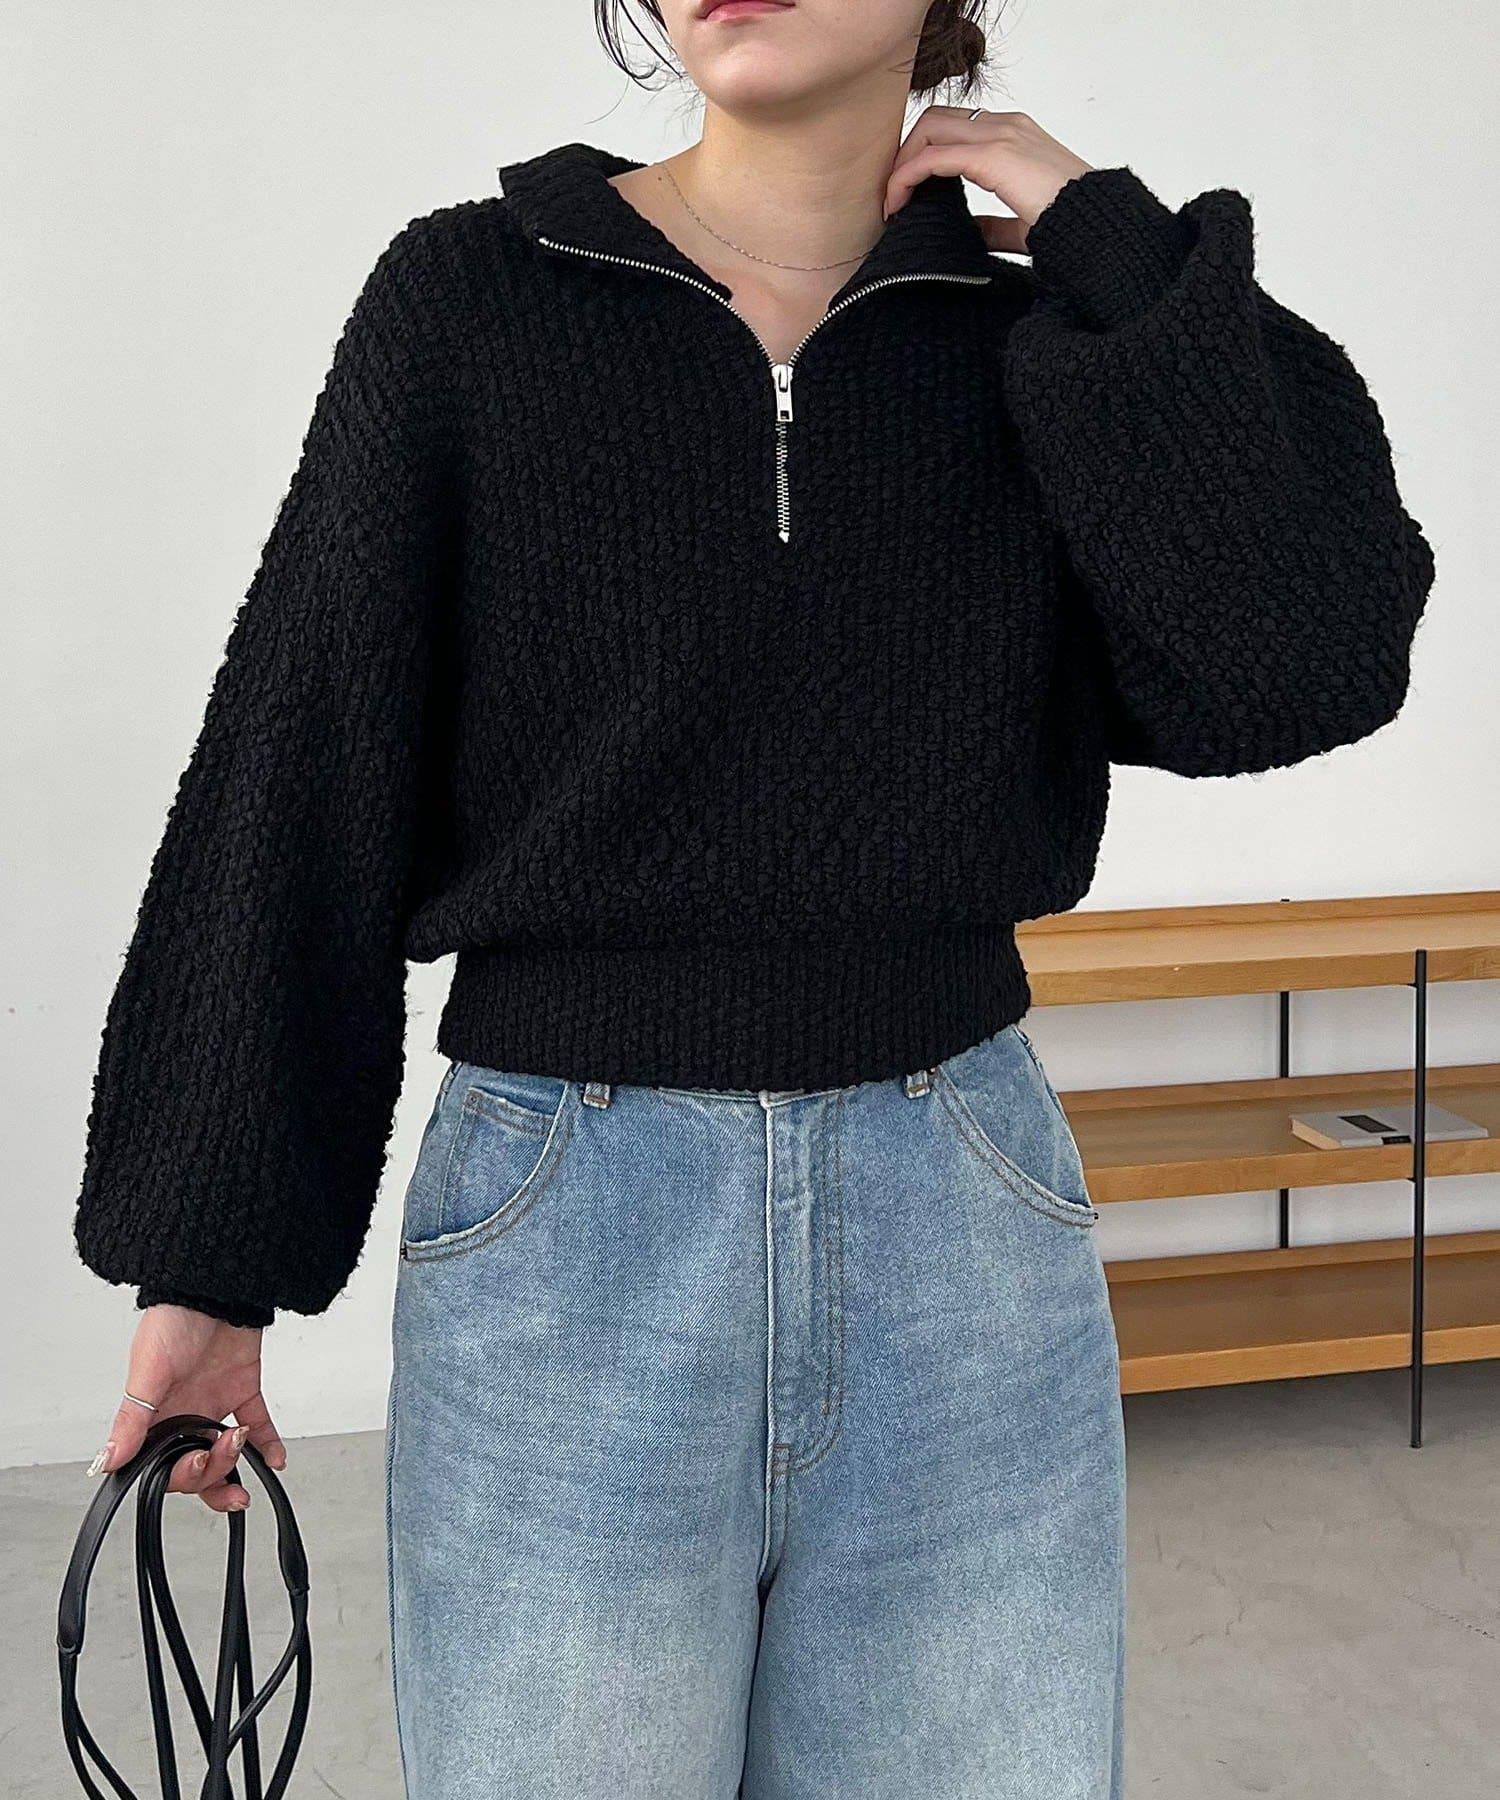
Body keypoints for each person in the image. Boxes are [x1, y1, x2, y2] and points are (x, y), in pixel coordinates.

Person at [74, 2, 1435, 1794]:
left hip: (963, 1226)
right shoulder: (475, 302)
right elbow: (301, 768)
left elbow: (1304, 663)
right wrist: (210, 1264)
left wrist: (1113, 250)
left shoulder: (1035, 344)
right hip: (567, 1228)